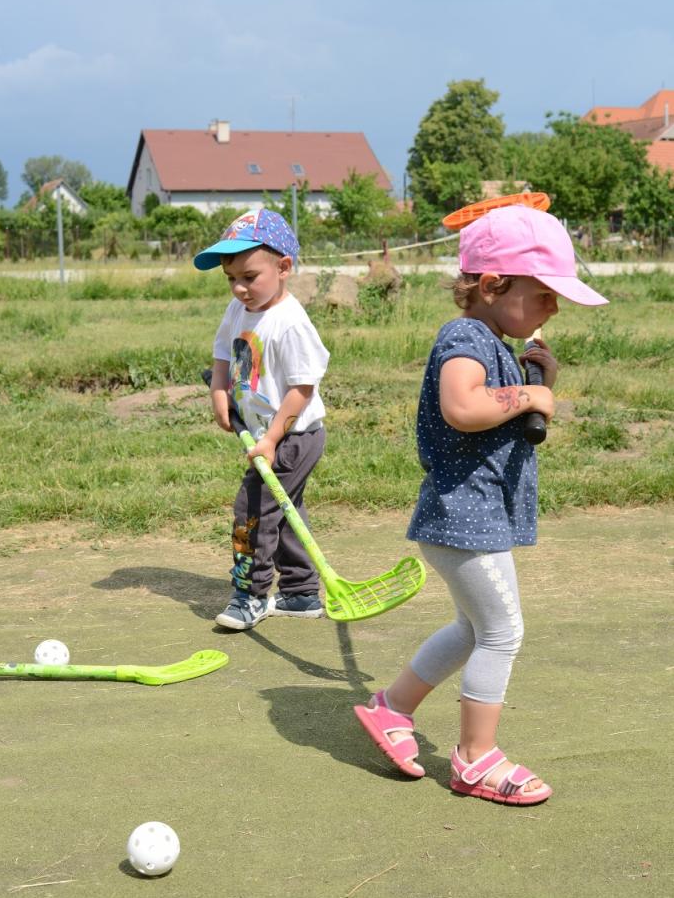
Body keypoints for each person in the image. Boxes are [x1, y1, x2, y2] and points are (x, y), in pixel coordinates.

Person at [354, 204, 609, 805]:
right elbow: (463, 407)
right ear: (493, 286)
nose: (554, 308)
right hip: (463, 517)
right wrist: (530, 396)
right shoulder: (465, 337)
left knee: (474, 629)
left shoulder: (490, 340)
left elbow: (493, 407)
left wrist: (537, 382)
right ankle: (474, 759)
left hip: (469, 517)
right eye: (544, 295)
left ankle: (391, 708)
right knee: (502, 631)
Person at [194, 209, 330, 630]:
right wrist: (219, 391)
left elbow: (302, 388)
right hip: (265, 433)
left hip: (292, 436)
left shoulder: (289, 323)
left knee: (252, 510)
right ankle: (301, 593)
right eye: (230, 278)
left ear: (283, 268)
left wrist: (271, 439)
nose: (239, 288)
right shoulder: (240, 309)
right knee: (284, 512)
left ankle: (250, 595)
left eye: (249, 277)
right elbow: (223, 351)